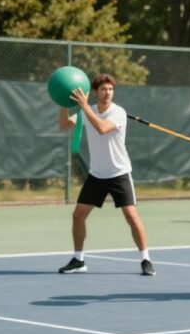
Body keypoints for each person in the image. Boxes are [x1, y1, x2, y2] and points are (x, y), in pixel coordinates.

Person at [56, 74, 154, 276]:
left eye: (110, 89)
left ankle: (146, 259)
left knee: (131, 216)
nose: (108, 93)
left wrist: (83, 107)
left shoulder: (118, 113)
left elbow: (101, 128)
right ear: (95, 92)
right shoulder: (88, 111)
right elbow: (64, 125)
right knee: (78, 215)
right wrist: (63, 102)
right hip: (97, 175)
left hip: (119, 173)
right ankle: (78, 259)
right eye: (103, 89)